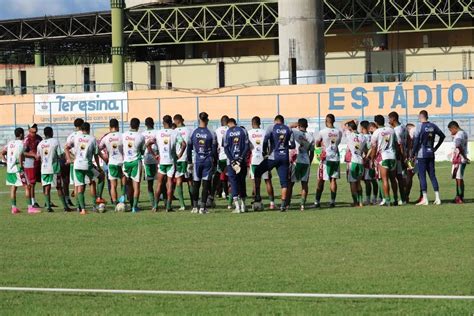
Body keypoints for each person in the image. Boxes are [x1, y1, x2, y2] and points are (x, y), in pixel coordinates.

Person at [253, 115, 295, 212]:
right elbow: (292, 145)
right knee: (284, 183)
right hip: (284, 157)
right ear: (283, 121)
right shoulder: (288, 129)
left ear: (275, 121)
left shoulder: (271, 127)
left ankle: (258, 196)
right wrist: (284, 147)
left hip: (273, 157)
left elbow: (265, 140)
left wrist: (264, 152)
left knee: (257, 172)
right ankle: (283, 205)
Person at [147, 115, 186, 212]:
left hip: (162, 162)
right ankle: (168, 207)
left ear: (163, 123)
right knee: (169, 184)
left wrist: (154, 155)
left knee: (159, 183)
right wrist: (179, 154)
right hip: (171, 162)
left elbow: (148, 144)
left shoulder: (158, 133)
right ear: (171, 122)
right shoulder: (175, 133)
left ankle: (155, 206)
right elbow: (184, 144)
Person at [65, 122, 101, 215]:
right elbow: (96, 154)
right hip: (87, 165)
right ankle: (94, 205)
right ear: (89, 129)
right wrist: (99, 167)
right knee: (94, 181)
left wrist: (69, 159)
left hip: (77, 165)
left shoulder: (76, 138)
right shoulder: (92, 139)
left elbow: (66, 147)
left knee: (79, 186)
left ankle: (82, 209)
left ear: (81, 129)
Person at [2, 127, 40, 214]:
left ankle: (14, 208)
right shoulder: (21, 143)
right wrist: (21, 166)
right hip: (17, 169)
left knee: (13, 187)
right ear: (21, 134)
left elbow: (2, 153)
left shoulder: (10, 143)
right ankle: (30, 208)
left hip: (10, 169)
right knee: (28, 186)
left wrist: (6, 161)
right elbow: (20, 155)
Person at [412, 110, 445, 206]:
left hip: (421, 154)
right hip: (431, 153)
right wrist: (436, 147)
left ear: (420, 116)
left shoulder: (419, 126)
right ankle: (438, 198)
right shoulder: (433, 126)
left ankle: (425, 199)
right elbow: (442, 136)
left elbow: (417, 141)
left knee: (422, 176)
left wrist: (412, 153)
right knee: (432, 176)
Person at [187, 112, 217, 214]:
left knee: (196, 184)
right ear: (207, 120)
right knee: (205, 185)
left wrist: (189, 162)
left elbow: (189, 148)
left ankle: (195, 207)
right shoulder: (212, 133)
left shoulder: (193, 132)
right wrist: (215, 163)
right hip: (207, 161)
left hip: (197, 161)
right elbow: (214, 151)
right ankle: (202, 208)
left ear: (199, 120)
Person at [37, 127, 71, 212]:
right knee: (59, 187)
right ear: (52, 133)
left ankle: (48, 207)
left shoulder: (40, 144)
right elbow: (60, 154)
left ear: (44, 134)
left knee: (46, 187)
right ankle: (65, 207)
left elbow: (38, 157)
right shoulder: (55, 142)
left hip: (44, 168)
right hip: (54, 168)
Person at [314, 114, 342, 208]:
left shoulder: (322, 131)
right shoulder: (339, 132)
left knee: (320, 180)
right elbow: (338, 143)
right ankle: (332, 201)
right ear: (333, 121)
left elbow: (317, 143)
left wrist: (320, 150)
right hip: (336, 157)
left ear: (326, 121)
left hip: (326, 158)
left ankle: (317, 201)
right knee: (333, 180)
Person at [370, 115, 399, 206]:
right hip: (392, 156)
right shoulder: (391, 130)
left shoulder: (376, 132)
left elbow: (374, 148)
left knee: (385, 179)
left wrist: (372, 158)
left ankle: (387, 200)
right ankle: (396, 199)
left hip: (383, 157)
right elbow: (395, 143)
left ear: (375, 123)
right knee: (393, 179)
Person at [248, 116, 275, 210]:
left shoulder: (249, 133)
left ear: (252, 123)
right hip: (264, 159)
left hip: (254, 160)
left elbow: (248, 147)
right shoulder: (264, 132)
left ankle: (257, 202)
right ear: (260, 123)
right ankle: (272, 203)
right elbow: (271, 145)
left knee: (255, 182)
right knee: (268, 181)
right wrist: (268, 155)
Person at [287, 118, 315, 211]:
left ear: (298, 125)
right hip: (306, 161)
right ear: (307, 126)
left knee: (290, 183)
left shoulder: (295, 132)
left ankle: (287, 204)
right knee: (304, 184)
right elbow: (312, 153)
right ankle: (302, 205)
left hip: (296, 161)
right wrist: (309, 163)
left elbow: (286, 128)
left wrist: (293, 124)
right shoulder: (311, 136)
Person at [224, 118, 249, 213]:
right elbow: (246, 146)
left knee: (233, 182)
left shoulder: (227, 132)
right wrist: (240, 159)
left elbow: (226, 149)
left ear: (228, 124)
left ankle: (237, 207)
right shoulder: (243, 130)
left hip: (231, 162)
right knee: (242, 181)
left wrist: (233, 161)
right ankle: (243, 205)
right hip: (242, 161)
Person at [99, 119, 125, 207]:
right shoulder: (122, 136)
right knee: (124, 181)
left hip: (112, 162)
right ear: (118, 126)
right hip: (122, 162)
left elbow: (97, 149)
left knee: (113, 185)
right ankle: (123, 199)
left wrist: (103, 157)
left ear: (110, 127)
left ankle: (115, 202)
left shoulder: (106, 137)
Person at [121, 118, 145, 213]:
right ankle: (134, 207)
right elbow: (142, 151)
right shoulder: (140, 136)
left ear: (130, 125)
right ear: (138, 126)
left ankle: (123, 196)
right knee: (136, 186)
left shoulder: (124, 135)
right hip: (136, 161)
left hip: (126, 162)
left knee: (128, 184)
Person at [343, 120, 367, 207]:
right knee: (358, 183)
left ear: (350, 128)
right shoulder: (363, 137)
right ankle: (361, 202)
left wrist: (350, 120)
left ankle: (355, 202)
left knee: (352, 182)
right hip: (360, 161)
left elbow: (343, 124)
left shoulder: (349, 135)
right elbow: (365, 149)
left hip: (352, 162)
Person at [173, 114, 193, 210]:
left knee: (179, 180)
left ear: (175, 121)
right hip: (187, 158)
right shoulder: (189, 130)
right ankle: (194, 203)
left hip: (178, 159)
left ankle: (182, 205)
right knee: (190, 181)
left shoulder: (174, 132)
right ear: (182, 120)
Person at [388, 111, 408, 205]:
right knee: (401, 177)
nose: (389, 121)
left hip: (398, 156)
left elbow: (398, 144)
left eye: (389, 119)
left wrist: (401, 155)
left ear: (393, 119)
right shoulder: (404, 127)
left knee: (395, 178)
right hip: (404, 155)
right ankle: (403, 198)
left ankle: (396, 199)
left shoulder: (396, 130)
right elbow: (409, 140)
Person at [447, 121, 469, 204]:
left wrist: (463, 155)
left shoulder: (459, 134)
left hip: (459, 159)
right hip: (461, 159)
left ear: (454, 128)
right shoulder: (464, 133)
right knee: (459, 178)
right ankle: (459, 196)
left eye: (450, 130)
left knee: (458, 179)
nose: (451, 132)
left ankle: (459, 197)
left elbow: (458, 145)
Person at [210, 115, 229, 208]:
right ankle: (231, 196)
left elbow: (215, 145)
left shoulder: (217, 131)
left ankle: (212, 195)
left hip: (221, 157)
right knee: (231, 177)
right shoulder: (231, 130)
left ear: (221, 122)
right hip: (230, 157)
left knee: (217, 176)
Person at [66, 118, 85, 209]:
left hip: (74, 163)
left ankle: (78, 205)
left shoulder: (71, 136)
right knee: (89, 183)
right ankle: (83, 204)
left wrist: (70, 159)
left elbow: (66, 149)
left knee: (76, 185)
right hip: (83, 161)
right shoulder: (84, 134)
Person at [23, 123, 43, 208]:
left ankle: (47, 201)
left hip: (39, 163)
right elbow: (23, 152)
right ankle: (32, 202)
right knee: (31, 184)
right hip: (30, 163)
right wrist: (33, 155)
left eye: (35, 126)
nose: (35, 128)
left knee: (43, 182)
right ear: (29, 129)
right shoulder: (27, 139)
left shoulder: (39, 138)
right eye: (33, 127)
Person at [360, 120, 378, 205]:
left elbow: (365, 148)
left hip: (368, 161)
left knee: (367, 180)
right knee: (374, 180)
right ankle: (375, 198)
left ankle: (368, 199)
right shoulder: (373, 135)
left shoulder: (364, 137)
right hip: (374, 160)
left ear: (363, 128)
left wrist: (366, 155)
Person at [142, 117, 158, 208]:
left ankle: (153, 203)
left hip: (147, 160)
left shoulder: (143, 134)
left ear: (145, 124)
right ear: (153, 123)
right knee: (160, 182)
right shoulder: (157, 133)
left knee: (149, 183)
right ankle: (160, 202)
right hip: (156, 159)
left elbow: (143, 147)